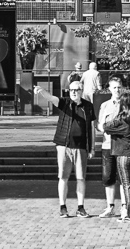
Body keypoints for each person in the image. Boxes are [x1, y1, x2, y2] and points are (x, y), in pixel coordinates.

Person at [102, 85, 130, 222]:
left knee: (127, 184)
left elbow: (106, 127)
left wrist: (117, 112)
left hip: (124, 154)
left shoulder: (122, 118)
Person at [51, 83, 93, 218]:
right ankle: (62, 207)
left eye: (76, 90)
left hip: (81, 146)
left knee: (81, 178)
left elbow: (91, 128)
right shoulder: (65, 103)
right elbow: (51, 99)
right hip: (64, 145)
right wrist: (41, 92)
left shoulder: (88, 106)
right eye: (71, 90)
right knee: (63, 177)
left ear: (81, 91)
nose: (73, 92)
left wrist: (91, 147)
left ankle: (80, 207)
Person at [94, 78, 126, 217]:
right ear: (109, 89)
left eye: (119, 87)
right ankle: (110, 206)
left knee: (123, 177)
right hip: (107, 145)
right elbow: (100, 125)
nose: (117, 90)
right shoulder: (105, 105)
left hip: (123, 145)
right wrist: (106, 128)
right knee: (108, 177)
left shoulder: (127, 105)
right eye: (114, 87)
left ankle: (125, 206)